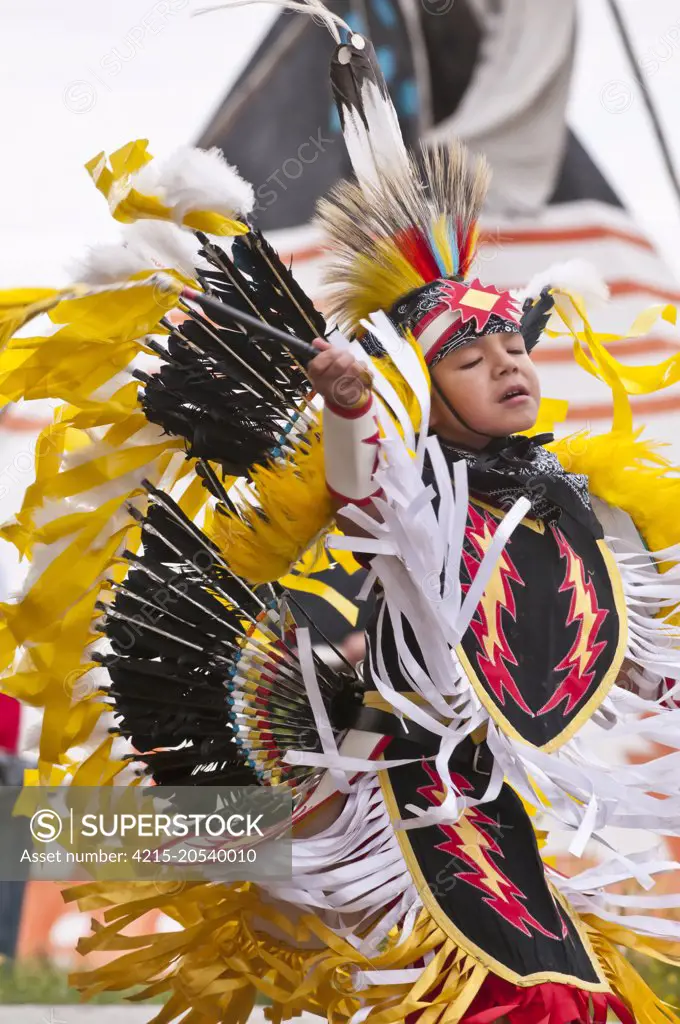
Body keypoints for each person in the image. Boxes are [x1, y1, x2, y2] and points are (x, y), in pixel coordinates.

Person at [3, 6, 680, 1024]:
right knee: (520, 1000)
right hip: (394, 808)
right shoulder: (416, 492)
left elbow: (607, 646)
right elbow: (369, 486)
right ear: (423, 387)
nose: (506, 365)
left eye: (513, 349)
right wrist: (350, 403)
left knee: (583, 995)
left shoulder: (554, 504)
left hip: (488, 806)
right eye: (469, 355)